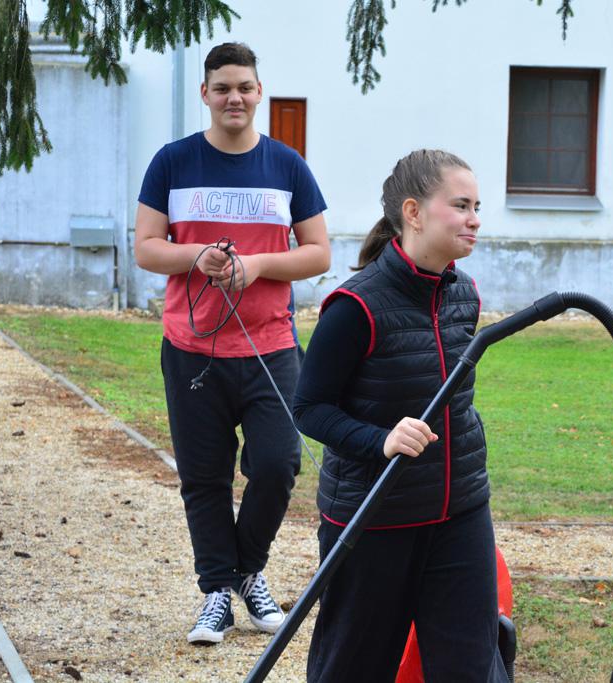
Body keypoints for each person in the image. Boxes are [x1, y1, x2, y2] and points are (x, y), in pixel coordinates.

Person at [133, 42, 330, 645]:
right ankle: (217, 591)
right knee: (204, 477)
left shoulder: (287, 165)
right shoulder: (172, 161)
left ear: (259, 92)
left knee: (278, 463)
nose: (234, 98)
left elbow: (319, 254)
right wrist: (197, 255)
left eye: (244, 87)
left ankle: (246, 570)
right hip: (191, 349)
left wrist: (260, 265)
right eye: (222, 88)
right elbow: (146, 247)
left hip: (271, 347)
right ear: (205, 94)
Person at [294, 149, 508, 682]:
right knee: (353, 669)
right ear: (413, 212)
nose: (475, 219)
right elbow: (309, 409)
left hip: (460, 513)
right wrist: (381, 440)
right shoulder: (355, 307)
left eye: (477, 207)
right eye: (461, 205)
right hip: (373, 518)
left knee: (470, 669)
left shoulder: (464, 295)